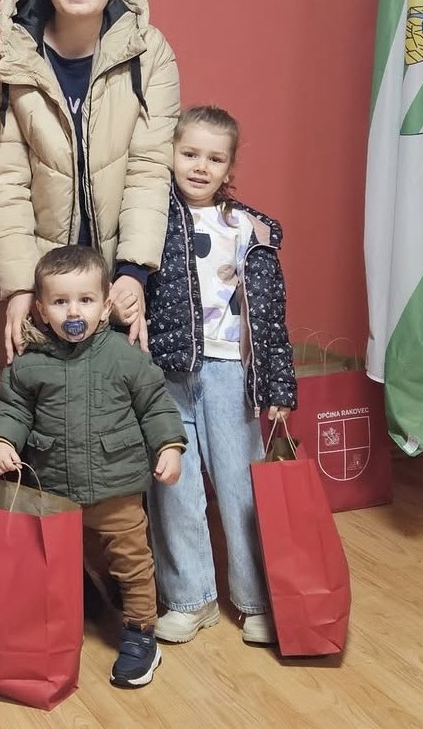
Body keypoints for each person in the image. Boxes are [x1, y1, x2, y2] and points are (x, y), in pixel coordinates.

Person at [0, 0, 181, 406]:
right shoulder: (5, 58)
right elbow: (1, 180)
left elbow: (149, 169)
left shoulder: (150, 53)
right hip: (44, 277)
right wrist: (22, 287)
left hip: (117, 269)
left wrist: (133, 272)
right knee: (40, 412)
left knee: (119, 410)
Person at [0, 245, 187, 688]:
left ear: (105, 304)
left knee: (131, 561)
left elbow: (155, 405)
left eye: (86, 300)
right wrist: (0, 440)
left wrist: (169, 447)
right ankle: (54, 624)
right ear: (41, 309)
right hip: (54, 492)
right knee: (51, 563)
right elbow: (13, 409)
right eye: (60, 302)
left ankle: (140, 632)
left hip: (117, 488)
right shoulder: (30, 364)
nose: (73, 312)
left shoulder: (123, 354)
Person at [143, 106, 298, 646]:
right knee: (174, 487)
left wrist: (278, 385)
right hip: (166, 372)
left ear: (230, 167)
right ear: (169, 153)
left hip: (231, 371)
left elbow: (270, 315)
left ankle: (257, 600)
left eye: (214, 158)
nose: (200, 167)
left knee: (241, 487)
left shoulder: (248, 229)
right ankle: (192, 599)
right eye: (189, 154)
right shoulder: (151, 220)